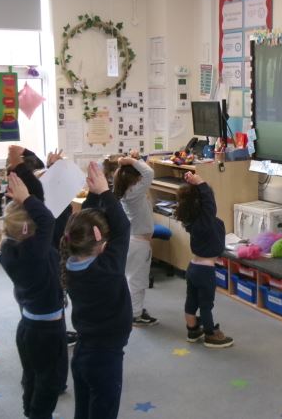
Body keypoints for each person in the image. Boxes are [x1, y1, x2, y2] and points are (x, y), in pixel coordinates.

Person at [62, 162, 131, 419]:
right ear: (101, 240)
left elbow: (87, 225)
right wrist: (104, 192)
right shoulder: (108, 269)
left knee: (83, 411)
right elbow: (123, 228)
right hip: (105, 359)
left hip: (84, 353)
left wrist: (96, 194)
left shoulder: (69, 262)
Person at [0, 173, 66, 419]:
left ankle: (30, 412)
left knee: (32, 375)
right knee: (49, 381)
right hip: (47, 330)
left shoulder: (9, 248)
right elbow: (47, 221)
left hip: (28, 327)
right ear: (29, 228)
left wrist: (23, 201)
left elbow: (44, 223)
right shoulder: (33, 254)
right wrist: (27, 199)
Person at [175, 172, 234, 348]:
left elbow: (207, 205)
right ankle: (210, 334)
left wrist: (195, 186)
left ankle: (192, 330)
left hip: (193, 267)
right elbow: (209, 203)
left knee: (191, 301)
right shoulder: (205, 222)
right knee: (206, 305)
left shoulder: (191, 221)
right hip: (205, 271)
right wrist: (201, 182)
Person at [113, 150, 158, 326]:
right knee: (138, 281)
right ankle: (135, 315)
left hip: (132, 241)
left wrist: (136, 159)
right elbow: (149, 173)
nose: (141, 179)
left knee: (130, 278)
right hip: (139, 245)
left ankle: (131, 309)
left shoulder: (126, 191)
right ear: (135, 179)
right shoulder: (134, 193)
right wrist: (132, 161)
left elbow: (145, 173)